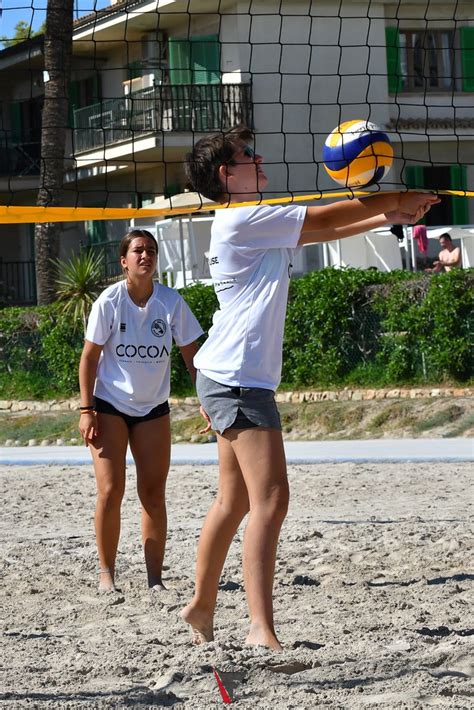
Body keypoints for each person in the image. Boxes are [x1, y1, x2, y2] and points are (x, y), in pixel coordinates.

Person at [179, 125, 440, 651]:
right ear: (227, 174)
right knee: (271, 500)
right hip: (237, 380)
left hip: (227, 374)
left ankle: (202, 604)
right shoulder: (241, 219)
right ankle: (259, 628)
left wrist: (390, 214)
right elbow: (322, 217)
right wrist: (394, 197)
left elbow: (321, 231)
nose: (260, 158)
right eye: (247, 155)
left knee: (233, 501)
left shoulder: (248, 222)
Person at [78, 229, 204, 593]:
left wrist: (205, 398)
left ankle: (154, 579)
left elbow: (191, 355)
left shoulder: (170, 301)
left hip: (153, 408)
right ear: (124, 261)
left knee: (152, 492)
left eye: (150, 250)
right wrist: (87, 409)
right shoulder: (109, 300)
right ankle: (106, 574)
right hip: (109, 405)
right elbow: (89, 357)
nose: (145, 256)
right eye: (138, 251)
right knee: (110, 490)